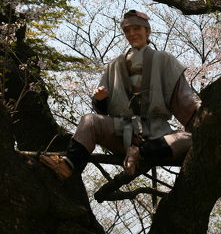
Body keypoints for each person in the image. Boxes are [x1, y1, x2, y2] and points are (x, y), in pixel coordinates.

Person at [41, 10, 200, 180]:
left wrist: (203, 115)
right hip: (122, 130)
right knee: (90, 120)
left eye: (137, 28)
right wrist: (100, 100)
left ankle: (140, 153)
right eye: (127, 31)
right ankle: (68, 165)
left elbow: (184, 98)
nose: (132, 34)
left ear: (148, 31)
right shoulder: (114, 65)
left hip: (158, 134)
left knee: (193, 139)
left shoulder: (165, 59)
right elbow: (101, 109)